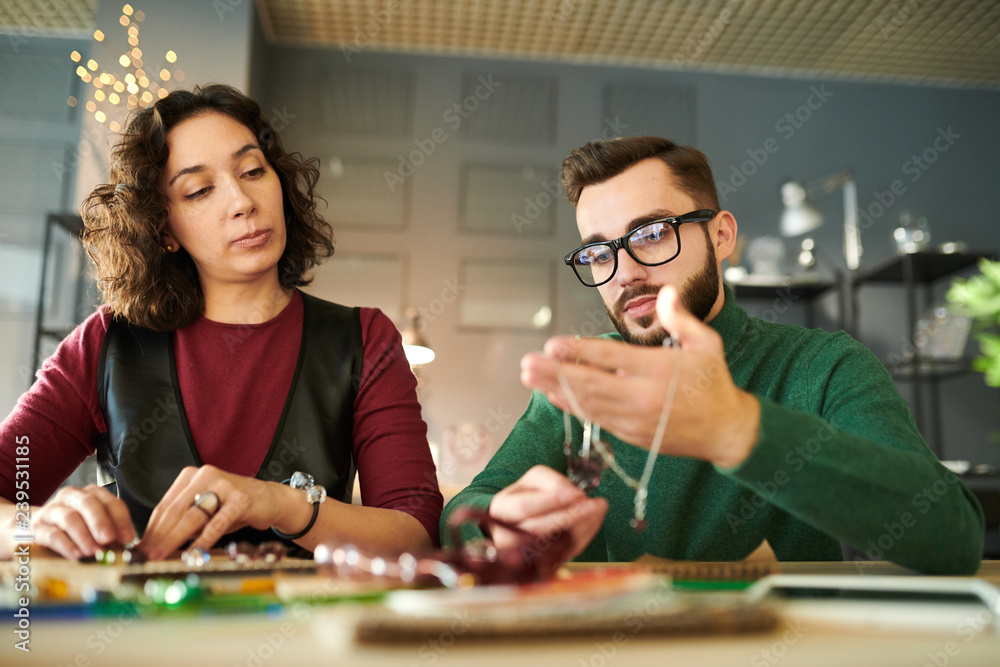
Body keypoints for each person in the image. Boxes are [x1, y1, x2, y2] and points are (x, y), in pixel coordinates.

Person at [442, 136, 984, 575]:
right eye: (599, 251)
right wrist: (496, 521)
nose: (624, 270)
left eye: (651, 233)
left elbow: (953, 536)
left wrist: (737, 429)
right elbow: (460, 515)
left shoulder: (823, 366)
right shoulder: (582, 379)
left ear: (721, 235)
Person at [0, 84, 442, 561]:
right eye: (199, 190)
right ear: (164, 230)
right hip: (137, 630)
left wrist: (282, 504)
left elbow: (415, 534)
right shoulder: (108, 343)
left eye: (253, 170)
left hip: (305, 631)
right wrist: (27, 527)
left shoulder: (362, 340)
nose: (242, 200)